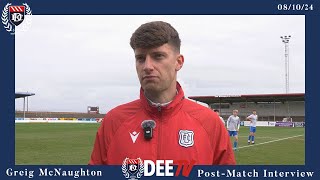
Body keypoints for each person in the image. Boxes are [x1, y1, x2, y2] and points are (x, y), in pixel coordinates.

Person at [89, 21, 235, 165]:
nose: (147, 66)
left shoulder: (210, 123)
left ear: (179, 62)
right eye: (140, 58)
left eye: (158, 56)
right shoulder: (114, 121)